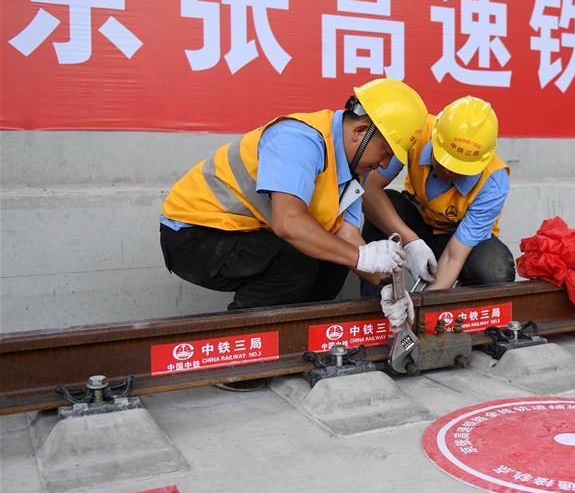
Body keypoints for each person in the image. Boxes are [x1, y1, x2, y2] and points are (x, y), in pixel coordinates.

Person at [159, 78, 427, 338]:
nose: (384, 165)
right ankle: (242, 350)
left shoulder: (353, 171)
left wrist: (387, 286)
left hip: (243, 234)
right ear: (360, 132)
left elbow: (347, 236)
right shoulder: (299, 140)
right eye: (386, 152)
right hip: (194, 233)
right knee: (295, 259)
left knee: (334, 259)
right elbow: (288, 223)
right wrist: (360, 257)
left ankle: (294, 340)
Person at [362, 95, 516, 291]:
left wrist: (423, 308)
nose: (448, 172)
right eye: (444, 161)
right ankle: (379, 298)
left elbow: (454, 256)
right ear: (435, 137)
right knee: (389, 205)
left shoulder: (493, 182)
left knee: (494, 268)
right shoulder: (416, 131)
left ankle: (458, 315)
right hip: (419, 225)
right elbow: (368, 189)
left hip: (462, 244)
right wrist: (411, 240)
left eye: (460, 169)